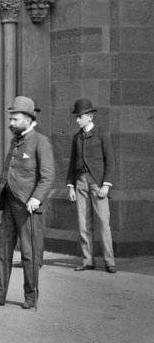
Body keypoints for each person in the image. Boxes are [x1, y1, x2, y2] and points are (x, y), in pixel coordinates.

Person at [0, 96, 55, 310]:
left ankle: (30, 298)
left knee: (30, 254)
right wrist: (1, 185)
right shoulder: (16, 140)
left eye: (15, 119)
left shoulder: (41, 142)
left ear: (29, 119)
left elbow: (48, 176)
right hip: (9, 203)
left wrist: (36, 198)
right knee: (3, 250)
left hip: (28, 206)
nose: (11, 123)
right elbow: (9, 168)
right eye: (10, 119)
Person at [66, 98, 116, 273]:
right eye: (77, 117)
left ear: (89, 117)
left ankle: (109, 261)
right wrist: (71, 186)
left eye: (79, 116)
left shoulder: (102, 133)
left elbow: (110, 161)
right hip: (80, 182)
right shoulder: (76, 138)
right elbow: (72, 162)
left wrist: (106, 185)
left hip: (98, 184)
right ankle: (88, 261)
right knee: (83, 224)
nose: (77, 120)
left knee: (103, 222)